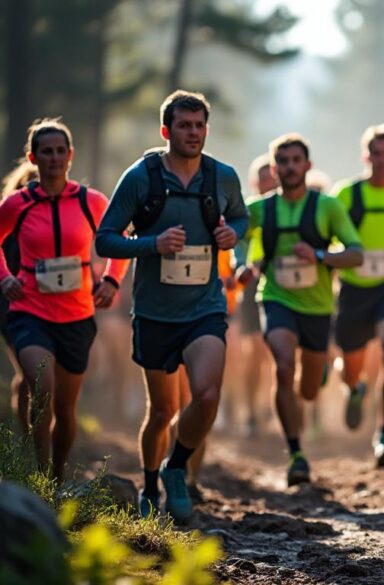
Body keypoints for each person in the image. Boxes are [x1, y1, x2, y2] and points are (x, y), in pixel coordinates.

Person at [96, 90, 248, 521]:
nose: (193, 133)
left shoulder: (222, 177)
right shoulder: (141, 177)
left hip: (205, 307)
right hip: (155, 312)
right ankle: (147, 485)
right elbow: (105, 237)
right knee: (162, 410)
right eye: (184, 125)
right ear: (166, 130)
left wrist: (230, 235)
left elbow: (240, 218)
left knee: (207, 394)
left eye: (200, 125)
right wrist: (153, 244)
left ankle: (176, 466)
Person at [0, 119, 127, 482]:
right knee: (42, 389)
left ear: (70, 156)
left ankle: (56, 475)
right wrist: (6, 277)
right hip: (29, 313)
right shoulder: (18, 204)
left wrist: (112, 280)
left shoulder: (92, 201)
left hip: (76, 316)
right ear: (33, 157)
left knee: (66, 410)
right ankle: (39, 478)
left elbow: (118, 242)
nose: (54, 158)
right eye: (46, 152)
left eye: (60, 151)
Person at [237, 133, 363, 486]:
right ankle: (295, 452)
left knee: (308, 390)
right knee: (282, 363)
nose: (290, 167)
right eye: (283, 162)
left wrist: (320, 255)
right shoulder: (260, 209)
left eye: (296, 161)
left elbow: (356, 253)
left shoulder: (327, 207)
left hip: (318, 307)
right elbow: (233, 236)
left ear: (307, 165)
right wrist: (242, 267)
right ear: (274, 168)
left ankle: (320, 373)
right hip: (276, 298)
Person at [333, 124, 384, 467]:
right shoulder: (346, 195)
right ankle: (355, 389)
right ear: (366, 156)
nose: (381, 161)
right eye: (375, 154)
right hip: (353, 288)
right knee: (351, 368)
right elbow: (328, 236)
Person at [232, 154, 277, 436]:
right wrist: (244, 266)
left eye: (270, 178)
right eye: (262, 180)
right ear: (253, 183)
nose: (267, 184)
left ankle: (269, 405)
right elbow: (235, 247)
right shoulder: (250, 213)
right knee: (255, 353)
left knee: (278, 351)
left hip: (282, 283)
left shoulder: (285, 209)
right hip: (251, 287)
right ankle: (249, 410)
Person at [1, 160, 37, 427]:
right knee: (29, 372)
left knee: (33, 374)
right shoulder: (11, 217)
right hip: (10, 305)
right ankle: (26, 435)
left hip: (41, 304)